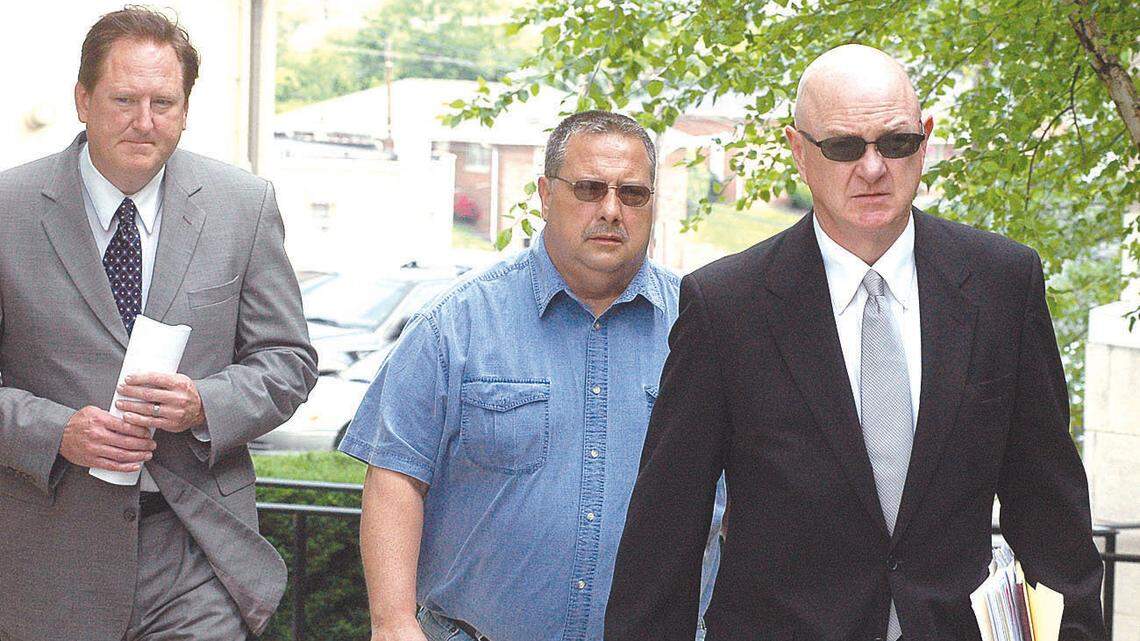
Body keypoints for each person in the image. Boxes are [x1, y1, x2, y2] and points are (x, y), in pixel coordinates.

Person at [605, 44, 1105, 641]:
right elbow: (666, 534)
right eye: (844, 147)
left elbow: (1050, 513)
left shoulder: (1002, 284)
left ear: (925, 139)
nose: (872, 168)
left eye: (895, 143)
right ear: (798, 151)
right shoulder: (726, 306)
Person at [339, 110, 723, 641]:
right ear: (545, 193)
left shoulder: (707, 330)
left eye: (632, 194)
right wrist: (393, 622)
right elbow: (396, 477)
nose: (611, 210)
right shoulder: (455, 324)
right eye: (589, 188)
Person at [0, 7, 316, 641]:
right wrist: (55, 431)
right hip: (48, 555)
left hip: (197, 546)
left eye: (163, 102)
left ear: (185, 108)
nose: (144, 122)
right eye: (123, 99)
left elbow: (288, 361)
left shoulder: (243, 205)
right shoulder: (8, 210)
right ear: (82, 100)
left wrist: (206, 402)